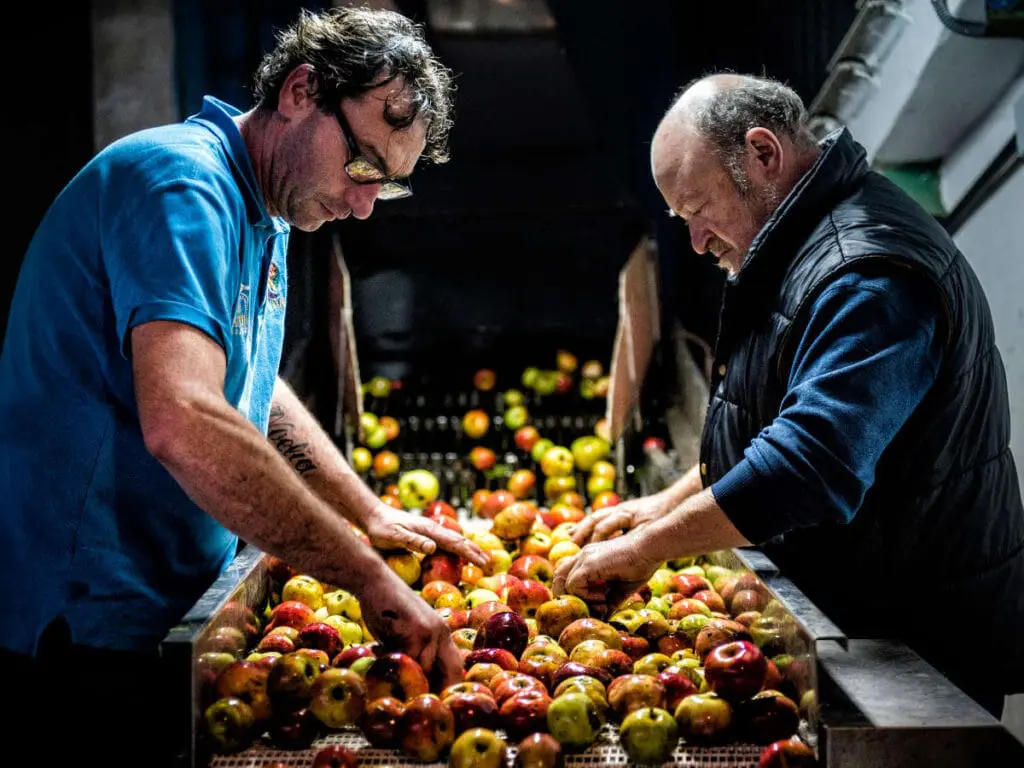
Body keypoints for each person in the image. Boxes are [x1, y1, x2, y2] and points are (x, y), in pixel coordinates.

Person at [0, 6, 484, 763]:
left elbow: (250, 388)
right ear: (299, 92)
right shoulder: (181, 188)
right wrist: (369, 581)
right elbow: (188, 418)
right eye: (362, 167)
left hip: (167, 609)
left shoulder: (269, 212)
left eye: (386, 189)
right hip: (85, 629)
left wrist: (366, 512)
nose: (362, 205)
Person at [555, 74, 1023, 717]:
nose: (694, 241)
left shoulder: (867, 275)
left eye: (697, 210)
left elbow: (809, 465)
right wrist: (661, 507)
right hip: (861, 620)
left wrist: (647, 550)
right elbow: (773, 429)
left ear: (763, 154)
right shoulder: (794, 252)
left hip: (915, 645)